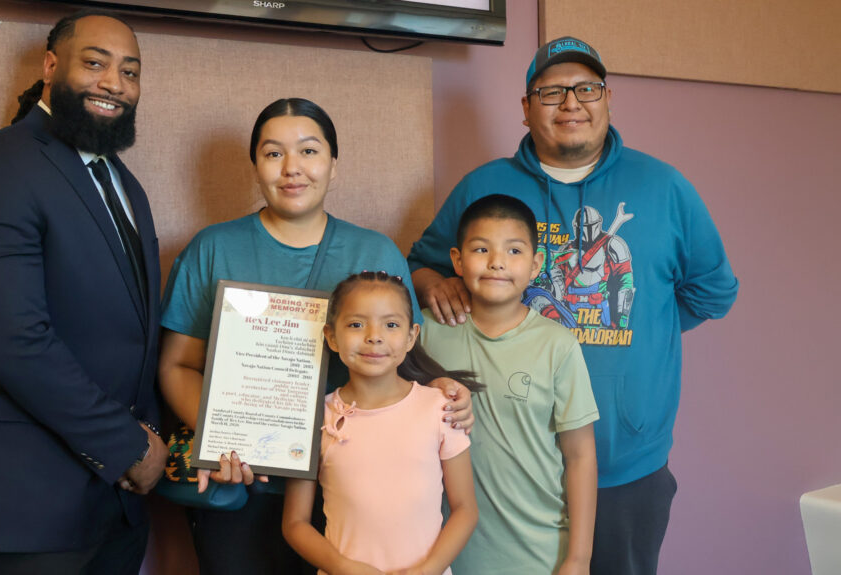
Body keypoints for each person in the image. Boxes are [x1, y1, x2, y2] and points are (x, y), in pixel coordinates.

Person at [407, 37, 739, 575]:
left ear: (608, 99)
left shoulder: (664, 187)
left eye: (587, 89)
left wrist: (639, 326)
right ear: (525, 107)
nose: (571, 103)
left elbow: (713, 291)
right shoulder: (483, 187)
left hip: (623, 464)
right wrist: (431, 285)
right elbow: (421, 265)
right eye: (551, 92)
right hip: (499, 468)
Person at [157, 98, 474, 574]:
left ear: (333, 164)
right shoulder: (213, 248)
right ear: (255, 166)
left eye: (309, 151)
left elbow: (402, 358)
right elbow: (176, 365)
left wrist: (446, 390)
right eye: (273, 153)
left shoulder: (374, 251)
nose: (292, 168)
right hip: (247, 484)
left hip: (355, 491)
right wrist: (226, 437)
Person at [0, 11, 167, 575]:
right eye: (95, 63)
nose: (114, 83)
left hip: (116, 507)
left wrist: (164, 443)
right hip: (25, 506)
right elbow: (14, 341)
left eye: (129, 71)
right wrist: (130, 447)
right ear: (51, 66)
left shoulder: (122, 182)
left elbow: (131, 336)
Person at [420, 195, 598, 574]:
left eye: (513, 250)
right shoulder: (423, 331)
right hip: (440, 553)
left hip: (537, 551)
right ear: (457, 261)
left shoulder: (558, 345)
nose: (497, 262)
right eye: (481, 249)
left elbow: (580, 456)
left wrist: (578, 559)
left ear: (535, 264)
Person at [282, 271, 479, 575]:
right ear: (331, 336)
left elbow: (465, 510)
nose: (374, 336)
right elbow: (295, 523)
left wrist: (427, 571)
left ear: (411, 336)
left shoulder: (439, 408)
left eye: (391, 325)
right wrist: (343, 567)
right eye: (356, 324)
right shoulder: (316, 417)